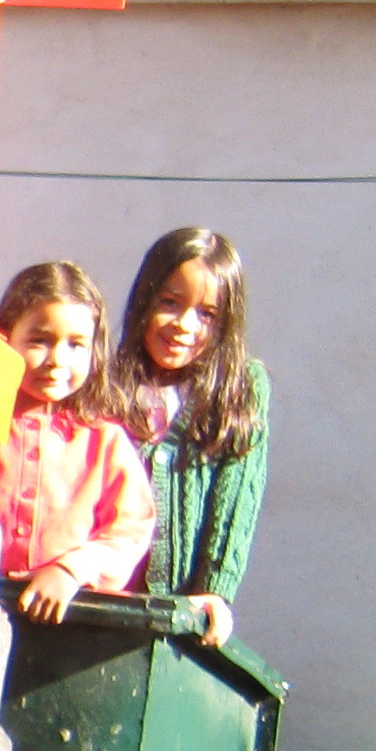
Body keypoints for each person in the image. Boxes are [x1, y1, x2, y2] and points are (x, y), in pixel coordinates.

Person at [110, 226, 269, 647]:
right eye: (170, 303)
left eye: (206, 314)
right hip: (106, 602)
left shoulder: (240, 388)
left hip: (179, 613)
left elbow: (236, 500)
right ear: (144, 299)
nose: (184, 325)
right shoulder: (109, 383)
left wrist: (215, 589)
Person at [0, 262, 154, 622]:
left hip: (70, 624)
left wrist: (71, 571)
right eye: (39, 341)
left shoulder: (105, 442)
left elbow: (130, 530)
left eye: (76, 345)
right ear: (5, 336)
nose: (57, 360)